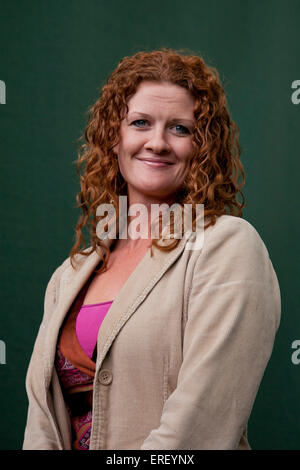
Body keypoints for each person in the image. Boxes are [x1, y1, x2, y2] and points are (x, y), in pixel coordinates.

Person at [23, 48, 281, 450]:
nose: (157, 143)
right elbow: (41, 427)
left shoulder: (228, 246)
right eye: (140, 123)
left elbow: (200, 425)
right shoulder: (69, 275)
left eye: (180, 128)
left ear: (203, 146)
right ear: (114, 137)